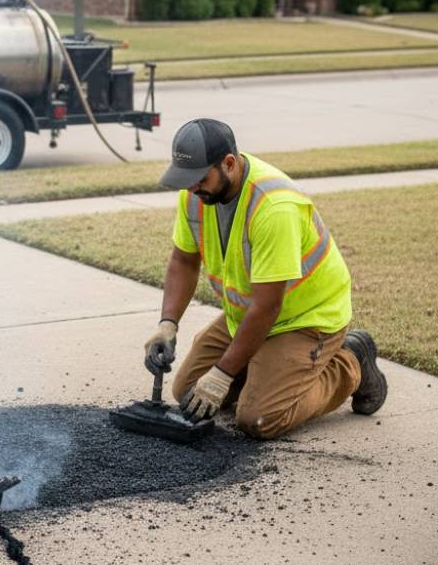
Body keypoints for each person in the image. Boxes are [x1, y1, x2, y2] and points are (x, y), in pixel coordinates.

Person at [143, 118, 388, 439]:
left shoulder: (274, 207)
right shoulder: (196, 195)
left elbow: (268, 306)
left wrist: (223, 373)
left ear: (229, 163)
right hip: (249, 314)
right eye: (186, 180)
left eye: (199, 178)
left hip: (305, 318)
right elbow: (184, 261)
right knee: (188, 392)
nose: (191, 187)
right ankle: (265, 369)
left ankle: (351, 362)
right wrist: (168, 324)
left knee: (258, 418)